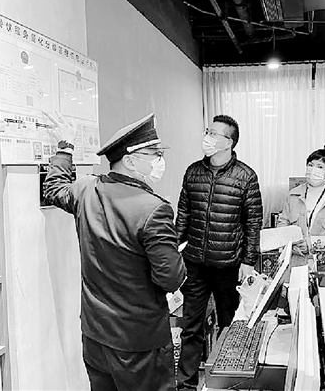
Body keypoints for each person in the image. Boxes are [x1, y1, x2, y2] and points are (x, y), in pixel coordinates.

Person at [43, 111, 187, 391]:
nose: (160, 160)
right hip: (138, 343)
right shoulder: (153, 209)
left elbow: (54, 188)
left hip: (95, 335)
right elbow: (171, 278)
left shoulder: (86, 189)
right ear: (131, 161)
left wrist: (65, 149)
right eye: (154, 154)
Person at [176, 114, 263, 391]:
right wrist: (174, 249)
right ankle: (186, 385)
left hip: (228, 264)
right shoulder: (193, 172)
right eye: (208, 131)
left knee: (229, 325)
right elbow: (183, 215)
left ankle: (228, 383)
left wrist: (249, 261)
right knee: (191, 326)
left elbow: (253, 223)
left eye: (214, 134)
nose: (207, 138)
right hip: (194, 263)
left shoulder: (246, 176)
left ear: (229, 142)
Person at [277, 148, 325, 254]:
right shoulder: (293, 195)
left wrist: (313, 245)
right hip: (296, 255)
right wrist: (292, 246)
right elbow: (283, 224)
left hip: (324, 257)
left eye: (320, 167)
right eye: (310, 165)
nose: (313, 170)